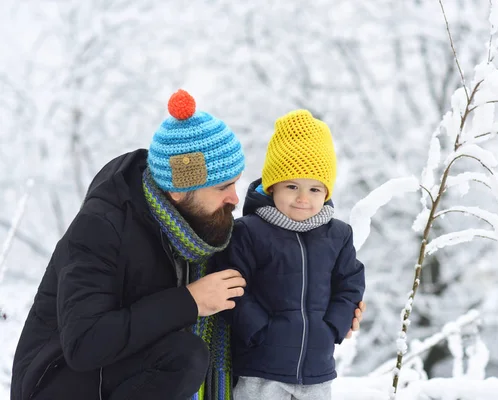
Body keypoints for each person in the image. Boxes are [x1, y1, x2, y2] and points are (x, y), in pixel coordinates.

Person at [10, 90, 364, 400]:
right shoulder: (102, 227)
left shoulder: (203, 230)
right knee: (184, 355)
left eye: (236, 183)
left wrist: (319, 315)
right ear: (180, 190)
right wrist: (190, 301)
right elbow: (85, 344)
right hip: (58, 382)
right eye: (222, 187)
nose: (234, 198)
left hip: (127, 372)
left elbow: (250, 293)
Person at [215, 109, 366, 400]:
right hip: (261, 368)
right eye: (292, 186)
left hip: (317, 370)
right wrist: (259, 330)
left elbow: (350, 283)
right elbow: (232, 286)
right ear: (272, 187)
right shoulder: (248, 232)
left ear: (326, 192)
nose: (303, 198)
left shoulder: (338, 235)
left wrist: (333, 325)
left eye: (314, 189)